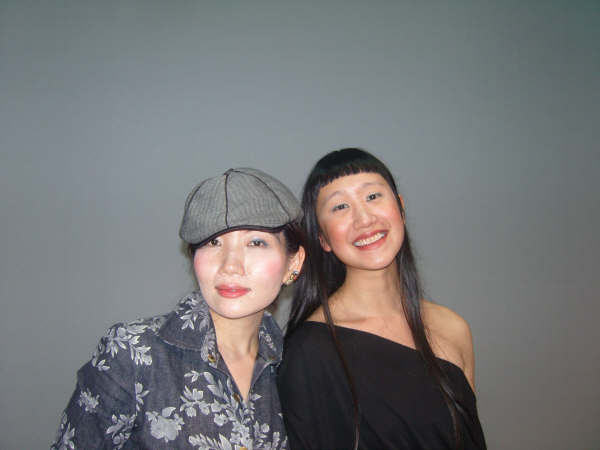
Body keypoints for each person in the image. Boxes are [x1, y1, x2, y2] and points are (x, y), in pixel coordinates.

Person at [52, 168, 305, 449]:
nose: (230, 265)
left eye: (255, 242)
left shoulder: (296, 365)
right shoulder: (133, 353)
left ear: (293, 263)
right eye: (213, 242)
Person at [278, 149, 486, 450]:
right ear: (322, 238)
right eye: (340, 206)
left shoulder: (453, 328)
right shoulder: (308, 352)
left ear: (400, 208)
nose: (364, 219)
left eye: (373, 196)